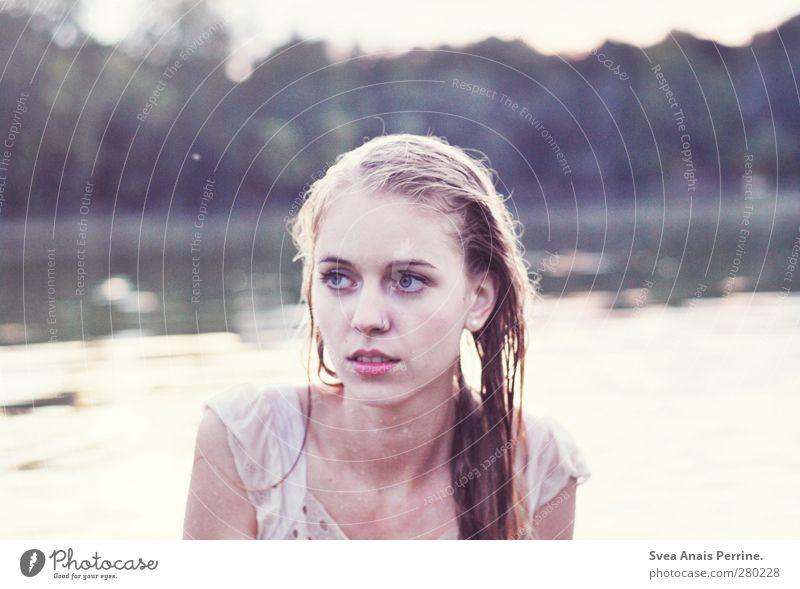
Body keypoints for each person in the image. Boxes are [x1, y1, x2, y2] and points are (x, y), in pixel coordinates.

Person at [182, 133, 590, 540]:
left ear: (478, 299)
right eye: (338, 277)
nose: (366, 318)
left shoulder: (536, 465)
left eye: (408, 280)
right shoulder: (246, 440)